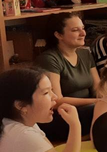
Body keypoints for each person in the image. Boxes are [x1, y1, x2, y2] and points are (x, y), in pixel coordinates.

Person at [36, 13, 99, 142]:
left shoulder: (85, 54)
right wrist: (97, 102)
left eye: (83, 28)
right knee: (100, 110)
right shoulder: (49, 59)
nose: (83, 33)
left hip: (88, 109)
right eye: (75, 30)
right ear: (58, 35)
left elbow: (98, 88)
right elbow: (57, 101)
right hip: (61, 115)